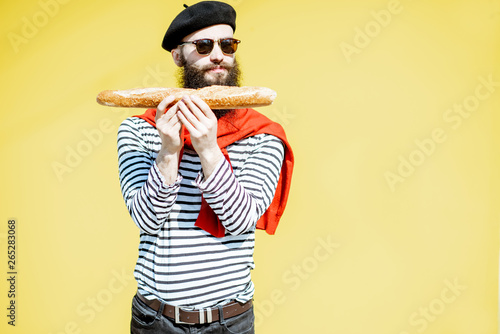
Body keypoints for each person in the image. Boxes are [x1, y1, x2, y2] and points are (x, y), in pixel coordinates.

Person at [116, 2, 294, 333]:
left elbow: (242, 222)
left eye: (227, 45)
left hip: (230, 321)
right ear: (178, 56)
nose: (218, 55)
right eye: (203, 45)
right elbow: (146, 220)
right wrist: (168, 151)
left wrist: (209, 150)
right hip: (154, 319)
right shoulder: (139, 130)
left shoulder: (263, 135)